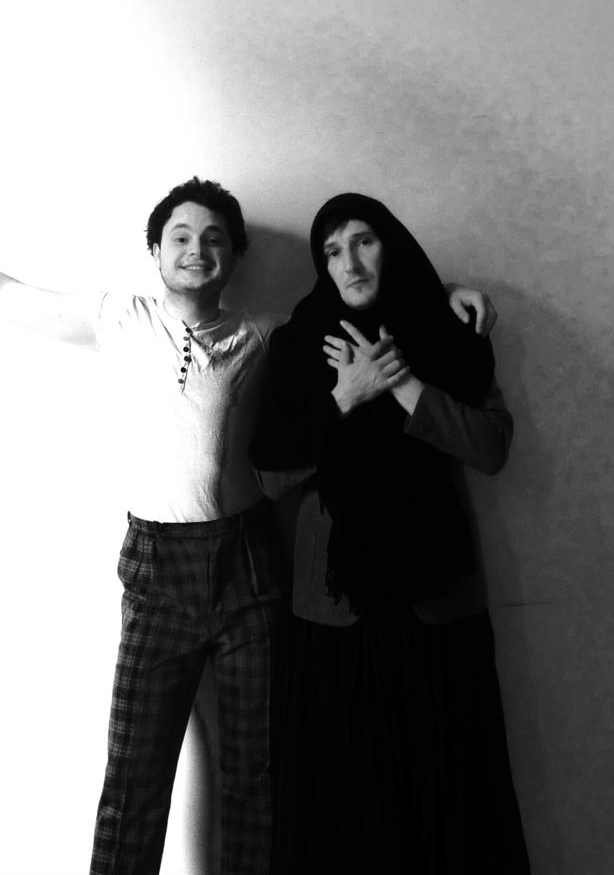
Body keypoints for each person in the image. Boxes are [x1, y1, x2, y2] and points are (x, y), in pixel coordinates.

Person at [0, 178, 495, 875]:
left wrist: (447, 294)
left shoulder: (264, 333)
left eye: (214, 239)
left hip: (251, 567)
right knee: (134, 776)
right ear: (154, 251)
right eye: (180, 237)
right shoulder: (120, 316)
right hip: (157, 571)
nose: (196, 251)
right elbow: (19, 299)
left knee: (257, 776)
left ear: (235, 256)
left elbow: (372, 300)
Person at [250, 192, 531, 874]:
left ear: (393, 246)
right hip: (334, 608)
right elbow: (270, 476)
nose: (349, 263)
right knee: (347, 806)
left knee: (450, 798)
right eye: (332, 251)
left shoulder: (449, 331)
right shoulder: (298, 343)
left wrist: (403, 383)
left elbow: (492, 447)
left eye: (364, 241)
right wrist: (345, 396)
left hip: (438, 602)